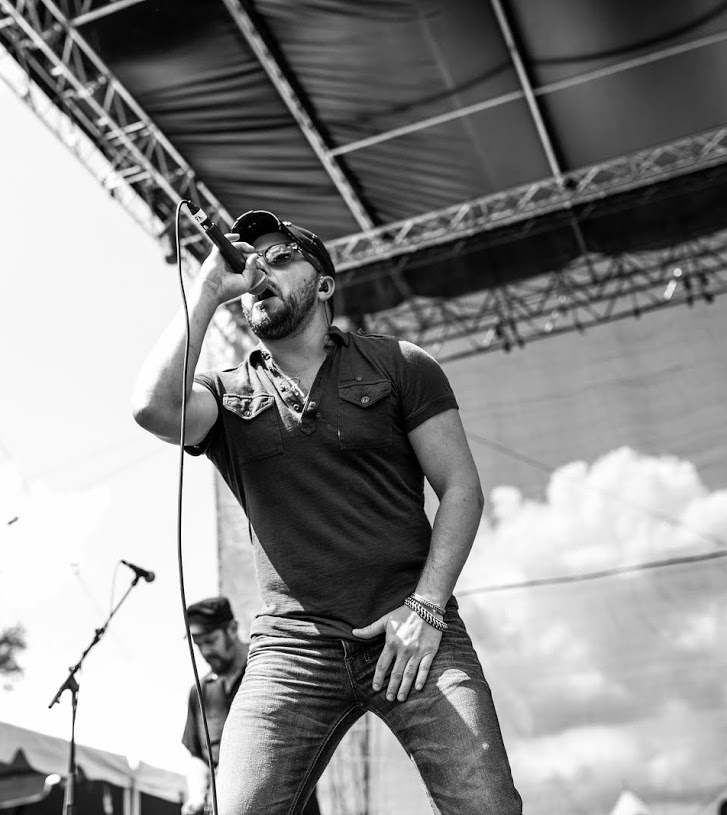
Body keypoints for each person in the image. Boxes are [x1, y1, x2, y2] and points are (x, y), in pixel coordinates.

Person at [132, 209, 522, 815]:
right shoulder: (226, 391)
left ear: (323, 285)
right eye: (252, 258)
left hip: (411, 626)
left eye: (281, 256)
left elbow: (461, 489)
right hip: (292, 650)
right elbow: (153, 409)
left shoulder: (400, 363)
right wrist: (208, 289)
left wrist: (426, 607)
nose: (261, 267)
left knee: (486, 806)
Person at [180, 596, 320, 815]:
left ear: (232, 629)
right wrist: (197, 796)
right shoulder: (199, 692)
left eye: (211, 641)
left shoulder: (273, 670)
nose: (205, 651)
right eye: (198, 644)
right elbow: (198, 755)